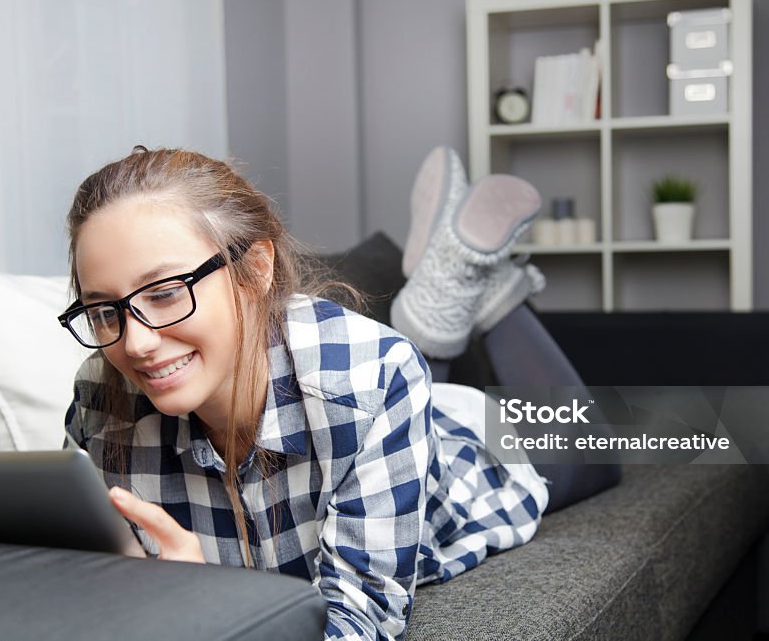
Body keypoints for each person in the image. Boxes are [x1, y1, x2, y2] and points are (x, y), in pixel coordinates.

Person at [59, 146, 564, 640]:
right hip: (372, 404)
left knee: (600, 437)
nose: (137, 343)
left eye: (167, 293)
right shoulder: (100, 404)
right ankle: (447, 302)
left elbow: (358, 621)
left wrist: (202, 606)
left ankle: (481, 286)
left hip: (474, 451)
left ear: (256, 270)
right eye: (104, 311)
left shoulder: (374, 377)